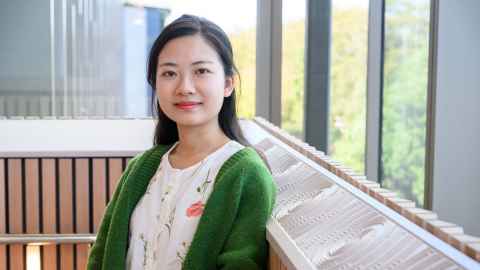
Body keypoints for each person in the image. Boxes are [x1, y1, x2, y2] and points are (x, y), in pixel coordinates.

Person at [86, 14, 276, 270]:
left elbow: (241, 263)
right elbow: (101, 254)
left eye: (201, 71)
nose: (184, 87)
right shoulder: (143, 167)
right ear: (155, 84)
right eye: (169, 73)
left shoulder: (246, 173)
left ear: (228, 84)